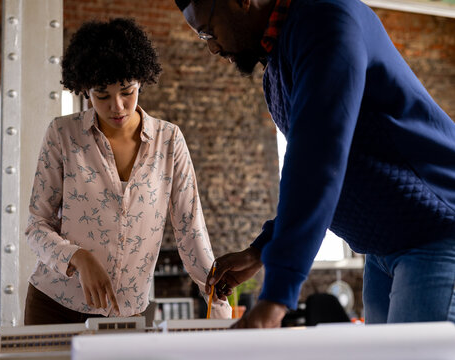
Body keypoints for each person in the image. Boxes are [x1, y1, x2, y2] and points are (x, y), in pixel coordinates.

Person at [174, 0, 455, 328]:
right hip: (384, 250)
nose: (213, 48)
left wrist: (276, 299)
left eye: (208, 30)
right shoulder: (277, 67)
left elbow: (316, 165)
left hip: (436, 233)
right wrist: (261, 250)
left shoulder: (326, 19)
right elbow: (336, 177)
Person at [24, 18, 231, 324]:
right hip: (55, 306)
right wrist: (77, 258)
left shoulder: (169, 140)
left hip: (129, 313)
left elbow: (190, 230)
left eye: (127, 91)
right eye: (102, 95)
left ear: (141, 81)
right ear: (84, 89)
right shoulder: (62, 135)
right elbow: (36, 226)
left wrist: (220, 312)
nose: (117, 106)